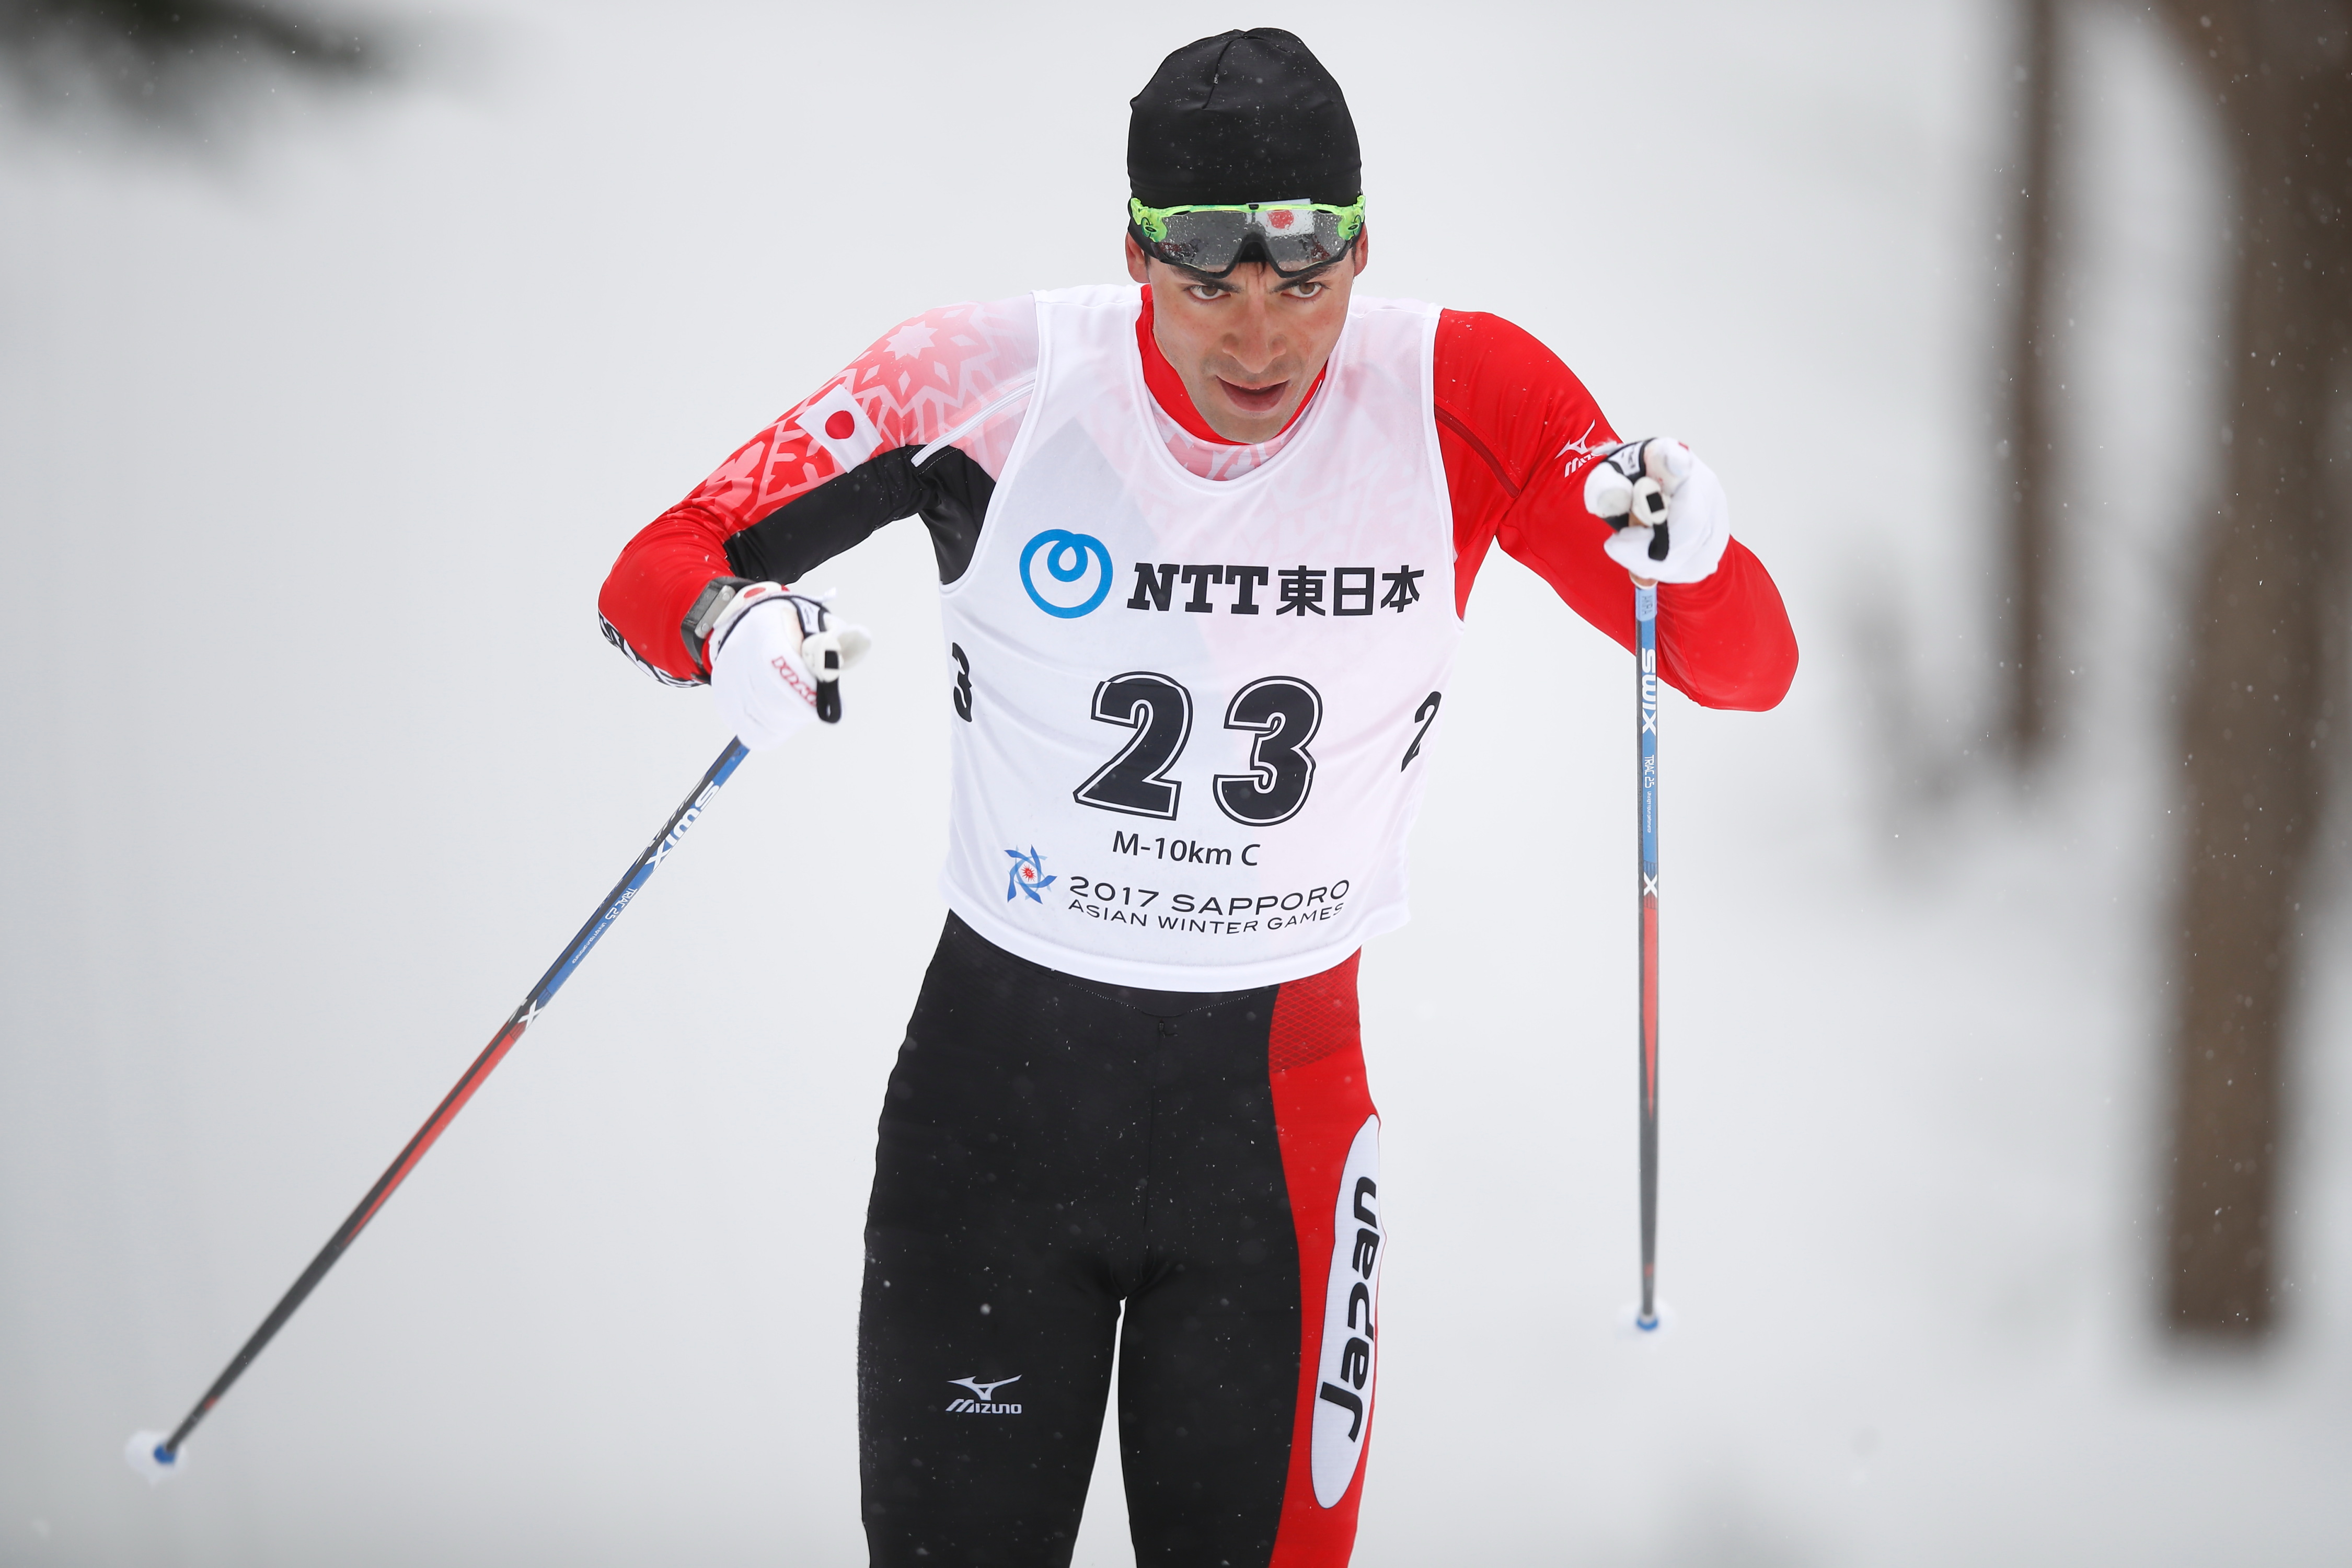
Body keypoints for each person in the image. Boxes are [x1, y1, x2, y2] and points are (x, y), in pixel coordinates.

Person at [597, 27, 1795, 1567]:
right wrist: (731, 626)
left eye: (1302, 276)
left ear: (1358, 251)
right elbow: (664, 561)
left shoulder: (1468, 389)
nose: (1255, 331)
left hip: (1280, 1142)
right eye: (1204, 275)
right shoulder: (980, 374)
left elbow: (1740, 670)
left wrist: (1689, 555)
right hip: (997, 1120)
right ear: (1134, 252)